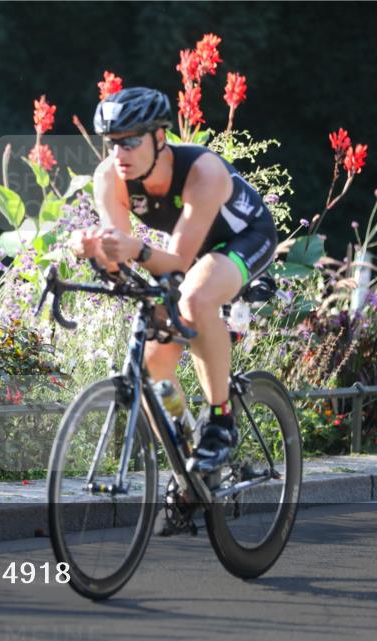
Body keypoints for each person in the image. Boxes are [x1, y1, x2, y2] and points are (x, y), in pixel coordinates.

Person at [67, 86, 278, 472]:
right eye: (111, 144)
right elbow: (121, 260)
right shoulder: (108, 178)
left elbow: (177, 261)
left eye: (129, 142)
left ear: (159, 137)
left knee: (196, 299)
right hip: (188, 252)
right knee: (152, 370)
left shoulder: (203, 171)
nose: (119, 154)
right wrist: (96, 249)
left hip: (245, 238)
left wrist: (135, 250)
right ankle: (188, 459)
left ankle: (220, 421)